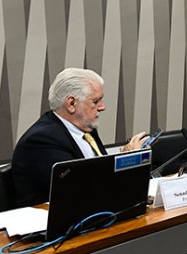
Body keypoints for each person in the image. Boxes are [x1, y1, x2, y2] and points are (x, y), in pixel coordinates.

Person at [11, 68, 150, 207]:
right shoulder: (41, 140)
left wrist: (125, 160)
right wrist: (130, 163)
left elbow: (101, 179)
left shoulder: (86, 129)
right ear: (71, 103)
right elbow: (78, 191)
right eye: (96, 101)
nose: (102, 107)